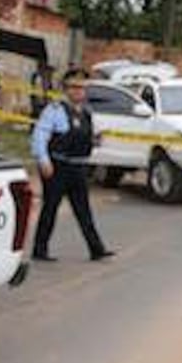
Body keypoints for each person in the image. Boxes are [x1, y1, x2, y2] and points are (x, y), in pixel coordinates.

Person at [30, 68, 114, 262]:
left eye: (82, 88)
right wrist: (43, 160)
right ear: (66, 89)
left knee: (83, 210)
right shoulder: (55, 110)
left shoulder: (86, 112)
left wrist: (94, 141)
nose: (78, 92)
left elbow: (81, 138)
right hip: (58, 165)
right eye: (74, 88)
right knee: (50, 208)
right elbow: (40, 135)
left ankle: (96, 249)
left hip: (78, 167)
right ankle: (39, 250)